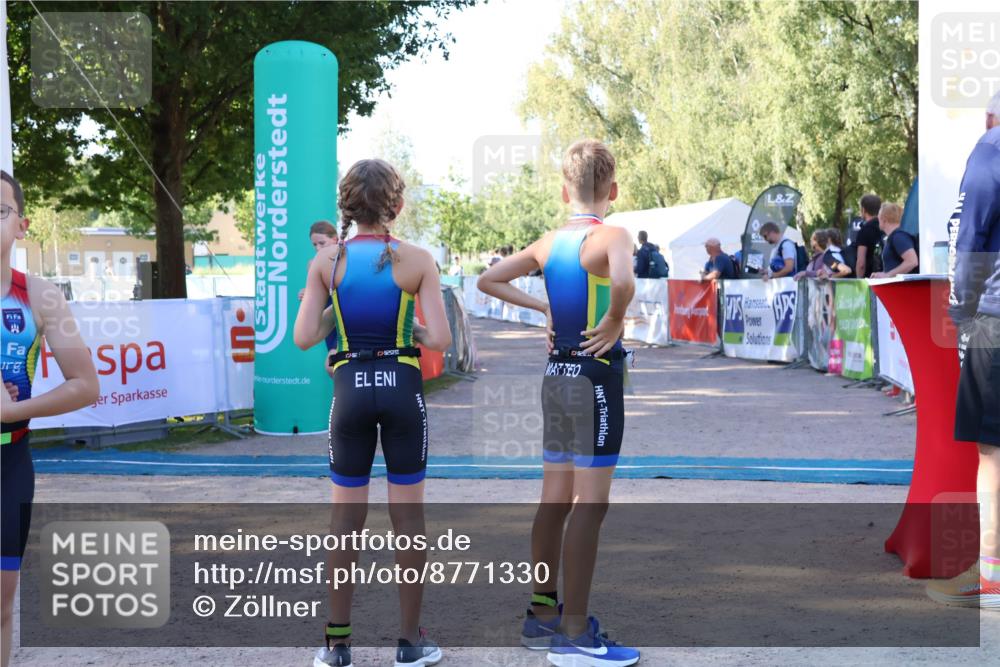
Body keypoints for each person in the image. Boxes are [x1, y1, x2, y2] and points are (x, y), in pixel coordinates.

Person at [477, 139, 640, 667]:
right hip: (595, 378)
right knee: (591, 506)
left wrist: (540, 305)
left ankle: (542, 614)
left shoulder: (548, 243)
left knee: (555, 500)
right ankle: (574, 633)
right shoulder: (614, 234)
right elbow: (623, 279)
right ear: (612, 190)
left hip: (557, 376)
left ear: (564, 188)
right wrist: (615, 318)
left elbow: (489, 279)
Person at [293, 159, 452, 667]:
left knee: (345, 520)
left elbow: (304, 338)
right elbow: (442, 341)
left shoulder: (327, 262)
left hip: (351, 394)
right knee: (409, 518)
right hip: (402, 391)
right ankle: (410, 641)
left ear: (345, 209)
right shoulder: (417, 258)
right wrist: (413, 332)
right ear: (397, 207)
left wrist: (333, 310)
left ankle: (337, 645)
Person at [1, 169, 100, 667]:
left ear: (22, 225)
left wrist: (13, 410)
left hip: (8, 462)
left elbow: (86, 384)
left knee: (0, 602)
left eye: (0, 212)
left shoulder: (41, 297)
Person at [926, 90, 1000, 610]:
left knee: (993, 453)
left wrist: (959, 307)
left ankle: (993, 577)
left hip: (994, 320)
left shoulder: (992, 148)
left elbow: (969, 237)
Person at [298, 220, 340, 376]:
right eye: (314, 245)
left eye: (322, 243)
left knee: (332, 365)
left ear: (335, 239)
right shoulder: (313, 264)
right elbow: (314, 293)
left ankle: (345, 399)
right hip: (329, 322)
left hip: (346, 318)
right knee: (333, 367)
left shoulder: (348, 258)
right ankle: (344, 399)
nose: (318, 248)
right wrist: (305, 294)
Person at [871, 203, 919, 278]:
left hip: (904, 288)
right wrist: (882, 275)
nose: (878, 220)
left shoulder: (898, 237)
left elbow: (912, 261)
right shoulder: (895, 237)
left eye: (879, 218)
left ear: (884, 220)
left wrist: (887, 275)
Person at [852, 194, 884, 278]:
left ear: (863, 209)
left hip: (870, 279)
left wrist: (859, 281)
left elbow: (861, 263)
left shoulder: (864, 231)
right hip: (886, 276)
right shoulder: (885, 227)